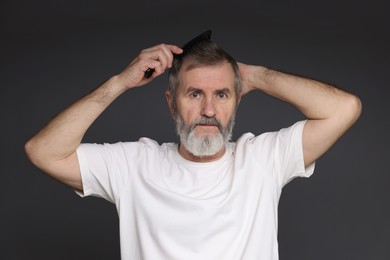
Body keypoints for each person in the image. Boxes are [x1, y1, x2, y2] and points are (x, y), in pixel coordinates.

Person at [25, 31, 361, 260]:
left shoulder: (263, 158)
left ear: (237, 100)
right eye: (195, 94)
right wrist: (118, 84)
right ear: (171, 102)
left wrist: (253, 75)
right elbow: (43, 151)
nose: (209, 111)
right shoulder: (134, 165)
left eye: (222, 94)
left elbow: (344, 108)